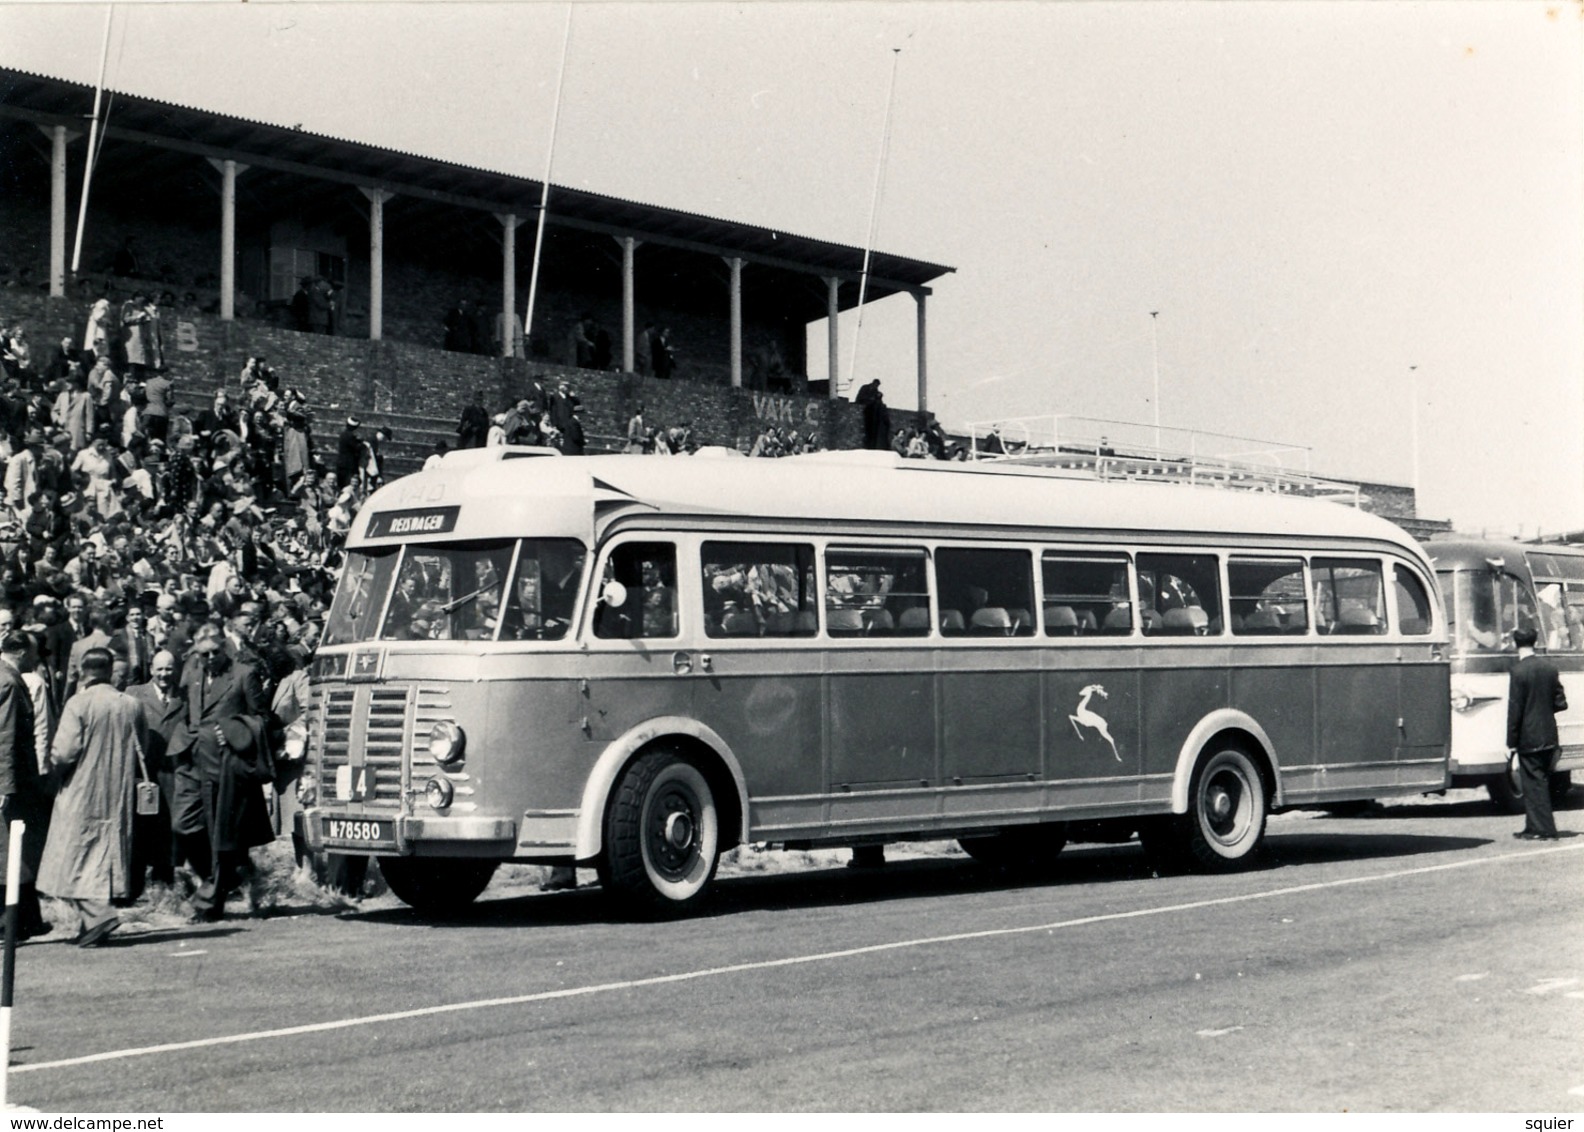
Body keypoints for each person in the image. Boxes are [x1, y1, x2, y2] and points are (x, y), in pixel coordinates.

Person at [36, 647, 148, 946]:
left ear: (84, 672)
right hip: (117, 789)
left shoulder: (79, 703)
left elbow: (64, 752)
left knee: (71, 855)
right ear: (110, 670)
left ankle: (99, 915)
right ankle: (92, 925)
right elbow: (144, 747)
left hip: (81, 788)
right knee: (102, 855)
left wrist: (52, 777)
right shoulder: (131, 705)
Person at [169, 625, 272, 919]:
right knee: (182, 824)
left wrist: (233, 729)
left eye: (216, 652)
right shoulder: (192, 674)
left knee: (221, 836)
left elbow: (262, 718)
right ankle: (228, 878)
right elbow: (186, 711)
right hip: (192, 760)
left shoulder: (242, 674)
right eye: (204, 654)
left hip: (225, 764)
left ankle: (209, 901)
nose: (211, 658)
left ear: (225, 650)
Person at [0, 633, 51, 940]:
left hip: (16, 780)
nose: (36, 659)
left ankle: (29, 919)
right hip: (14, 782)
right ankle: (11, 924)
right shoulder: (8, 682)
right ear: (20, 652)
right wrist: (4, 786)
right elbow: (5, 737)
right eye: (32, 653)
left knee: (21, 851)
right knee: (11, 852)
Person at [1507, 625, 1568, 840]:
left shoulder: (1518, 671)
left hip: (1529, 736)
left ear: (1516, 644)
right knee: (1538, 781)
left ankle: (1544, 829)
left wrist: (1510, 742)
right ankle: (1533, 826)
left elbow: (1515, 709)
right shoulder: (1550, 668)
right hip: (1549, 734)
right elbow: (1561, 703)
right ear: (1535, 642)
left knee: (1534, 784)